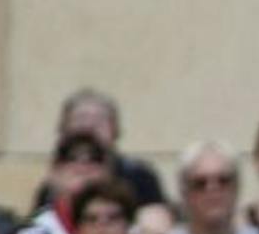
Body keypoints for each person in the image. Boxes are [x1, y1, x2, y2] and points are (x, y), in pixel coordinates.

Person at [33, 87, 169, 217]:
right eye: (81, 118)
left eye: (99, 120)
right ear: (63, 129)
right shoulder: (51, 187)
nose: (89, 126)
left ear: (115, 130)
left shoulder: (139, 177)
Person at [30, 129, 114, 234]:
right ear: (53, 172)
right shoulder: (38, 229)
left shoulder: (125, 227)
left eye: (94, 158)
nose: (82, 166)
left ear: (108, 172)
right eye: (70, 158)